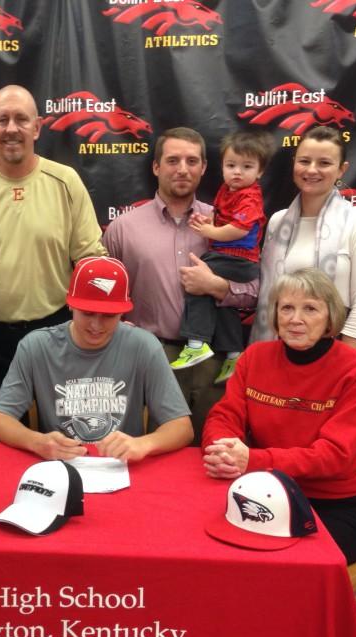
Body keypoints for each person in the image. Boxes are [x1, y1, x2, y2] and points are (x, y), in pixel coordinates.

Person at [202, 268, 356, 564]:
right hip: (269, 491)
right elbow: (225, 415)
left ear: (331, 317)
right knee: (212, 549)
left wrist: (252, 461)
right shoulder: (255, 357)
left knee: (286, 566)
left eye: (310, 308)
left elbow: (335, 455)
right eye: (286, 307)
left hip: (342, 503)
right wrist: (224, 449)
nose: (295, 319)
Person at [103, 127, 258, 442]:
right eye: (173, 160)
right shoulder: (123, 228)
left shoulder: (226, 225)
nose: (183, 169)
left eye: (192, 161)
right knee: (146, 456)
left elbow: (255, 291)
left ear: (203, 168)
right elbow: (104, 296)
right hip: (148, 356)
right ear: (157, 167)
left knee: (209, 452)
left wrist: (216, 286)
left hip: (212, 362)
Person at [0, 84, 107, 378]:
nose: (12, 129)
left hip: (55, 330)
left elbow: (90, 259)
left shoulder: (66, 182)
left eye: (21, 119)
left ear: (37, 127)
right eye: (2, 120)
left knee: (54, 423)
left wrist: (102, 317)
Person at [0, 256, 193, 462]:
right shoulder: (35, 346)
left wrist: (143, 444)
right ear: (70, 305)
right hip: (60, 466)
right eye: (87, 313)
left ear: (122, 313)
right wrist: (37, 441)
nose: (96, 325)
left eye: (109, 316)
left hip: (122, 465)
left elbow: (182, 427)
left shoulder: (144, 346)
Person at [250, 126, 356, 349]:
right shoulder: (277, 221)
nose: (312, 170)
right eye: (304, 161)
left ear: (342, 170)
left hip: (331, 352)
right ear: (294, 163)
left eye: (324, 163)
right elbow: (268, 294)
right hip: (277, 349)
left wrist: (342, 367)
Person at [171, 130, 274, 382]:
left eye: (246, 166)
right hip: (231, 258)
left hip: (239, 260)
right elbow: (222, 217)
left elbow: (238, 228)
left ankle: (196, 344)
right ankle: (234, 354)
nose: (237, 172)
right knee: (224, 303)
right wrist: (209, 221)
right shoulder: (227, 190)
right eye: (231, 165)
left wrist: (211, 231)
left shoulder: (250, 196)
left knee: (198, 280)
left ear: (259, 172)